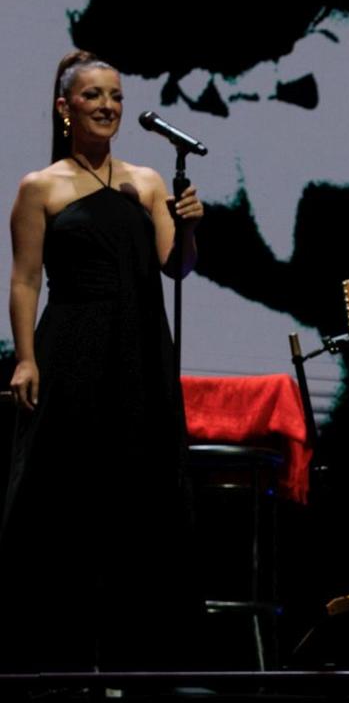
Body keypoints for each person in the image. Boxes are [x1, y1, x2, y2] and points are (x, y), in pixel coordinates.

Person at [1, 49, 205, 670]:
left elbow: (178, 265)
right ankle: (52, 654)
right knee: (66, 493)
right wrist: (26, 359)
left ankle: (135, 657)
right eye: (93, 96)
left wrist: (189, 225)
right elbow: (25, 280)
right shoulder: (41, 187)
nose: (108, 106)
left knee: (138, 492)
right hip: (72, 347)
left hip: (141, 346)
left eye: (115, 95)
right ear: (65, 109)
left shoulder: (144, 181)